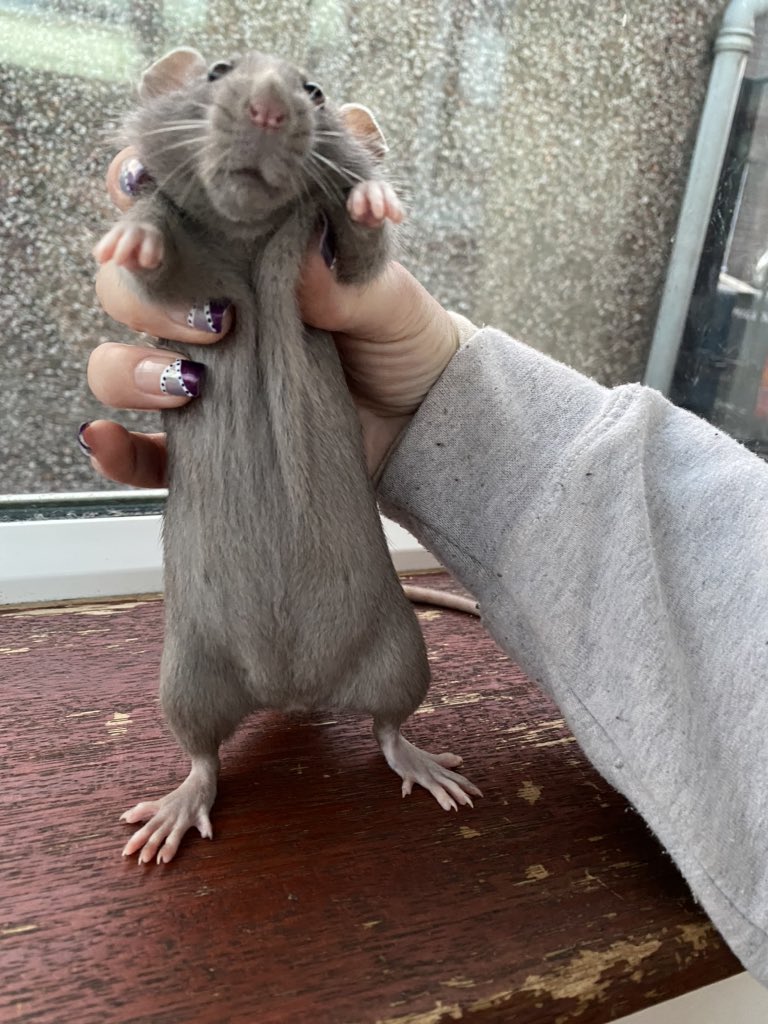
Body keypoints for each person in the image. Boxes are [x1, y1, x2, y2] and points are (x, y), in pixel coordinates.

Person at [83, 150, 768, 986]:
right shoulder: (191, 214)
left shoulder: (322, 198)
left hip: (350, 611)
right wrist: (147, 239)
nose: (263, 113)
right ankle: (201, 771)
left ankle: (390, 737)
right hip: (221, 623)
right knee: (192, 686)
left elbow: (355, 252)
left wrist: (363, 206)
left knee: (393, 666)